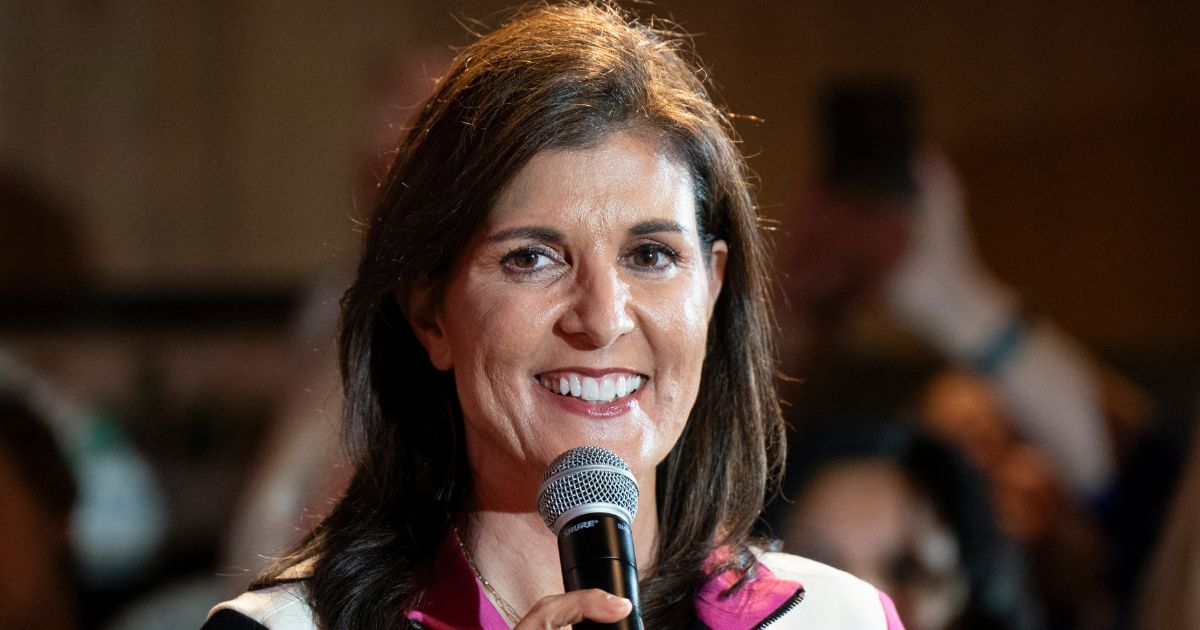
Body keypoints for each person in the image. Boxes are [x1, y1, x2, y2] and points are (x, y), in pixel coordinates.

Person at [204, 3, 903, 629]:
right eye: (532, 259)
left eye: (652, 255)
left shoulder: (841, 619)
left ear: (713, 290)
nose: (601, 320)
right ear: (429, 311)